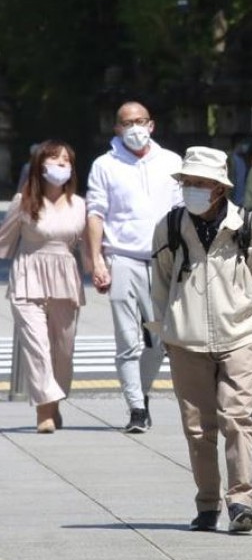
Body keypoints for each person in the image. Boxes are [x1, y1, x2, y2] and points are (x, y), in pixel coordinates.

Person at [150, 146, 252, 533]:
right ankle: (207, 502)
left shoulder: (248, 226)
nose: (192, 190)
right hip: (185, 340)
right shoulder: (171, 226)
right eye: (187, 182)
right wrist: (163, 328)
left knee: (237, 418)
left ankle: (241, 501)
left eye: (200, 184)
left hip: (239, 333)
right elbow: (160, 280)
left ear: (219, 189)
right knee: (197, 428)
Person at [86, 100, 183, 433]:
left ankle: (140, 391)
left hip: (162, 260)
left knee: (158, 341)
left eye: (140, 121)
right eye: (127, 123)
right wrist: (96, 259)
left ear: (152, 125)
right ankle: (136, 408)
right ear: (117, 128)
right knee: (127, 339)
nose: (135, 128)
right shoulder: (105, 164)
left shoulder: (171, 161)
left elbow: (181, 211)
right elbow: (95, 213)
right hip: (122, 258)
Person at [0, 140, 86, 433]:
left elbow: (89, 247)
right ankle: (43, 413)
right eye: (53, 160)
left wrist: (99, 269)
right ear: (40, 165)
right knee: (37, 348)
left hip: (66, 280)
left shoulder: (80, 205)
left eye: (65, 161)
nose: (60, 166)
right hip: (28, 279)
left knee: (63, 351)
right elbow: (4, 243)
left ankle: (54, 404)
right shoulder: (22, 202)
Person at [229, 134, 252, 206]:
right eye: (244, 144)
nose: (246, 147)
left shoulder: (246, 160)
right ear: (237, 144)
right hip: (232, 201)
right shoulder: (229, 159)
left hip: (243, 202)